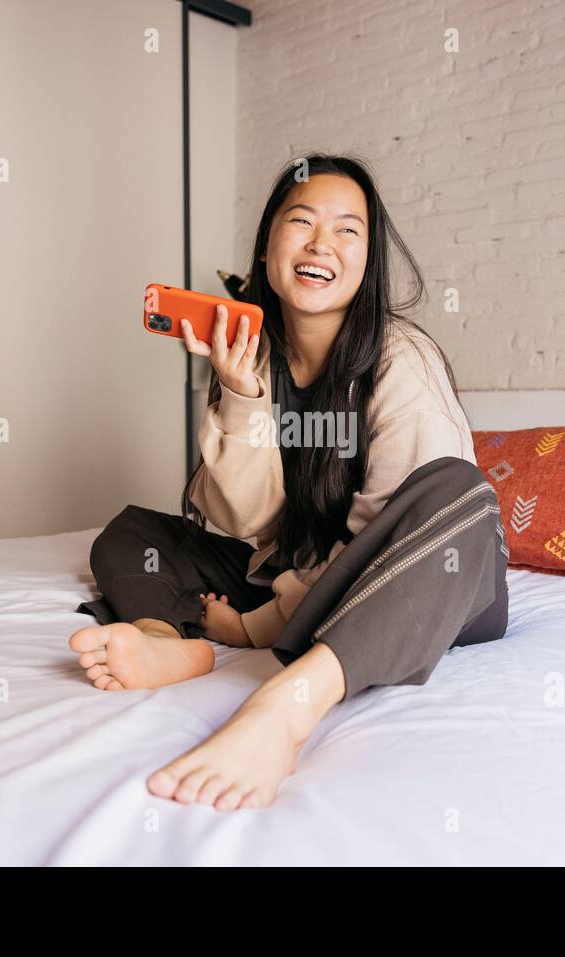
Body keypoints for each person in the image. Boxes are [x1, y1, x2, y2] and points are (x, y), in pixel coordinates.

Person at [70, 153, 509, 812]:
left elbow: (380, 543)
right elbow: (244, 518)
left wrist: (256, 626)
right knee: (134, 532)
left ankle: (286, 705)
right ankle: (165, 640)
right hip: (302, 566)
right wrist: (242, 393)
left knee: (459, 489)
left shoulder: (399, 362)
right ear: (269, 246)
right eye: (300, 221)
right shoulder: (257, 357)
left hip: (428, 580)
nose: (319, 244)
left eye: (345, 230)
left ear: (368, 261)